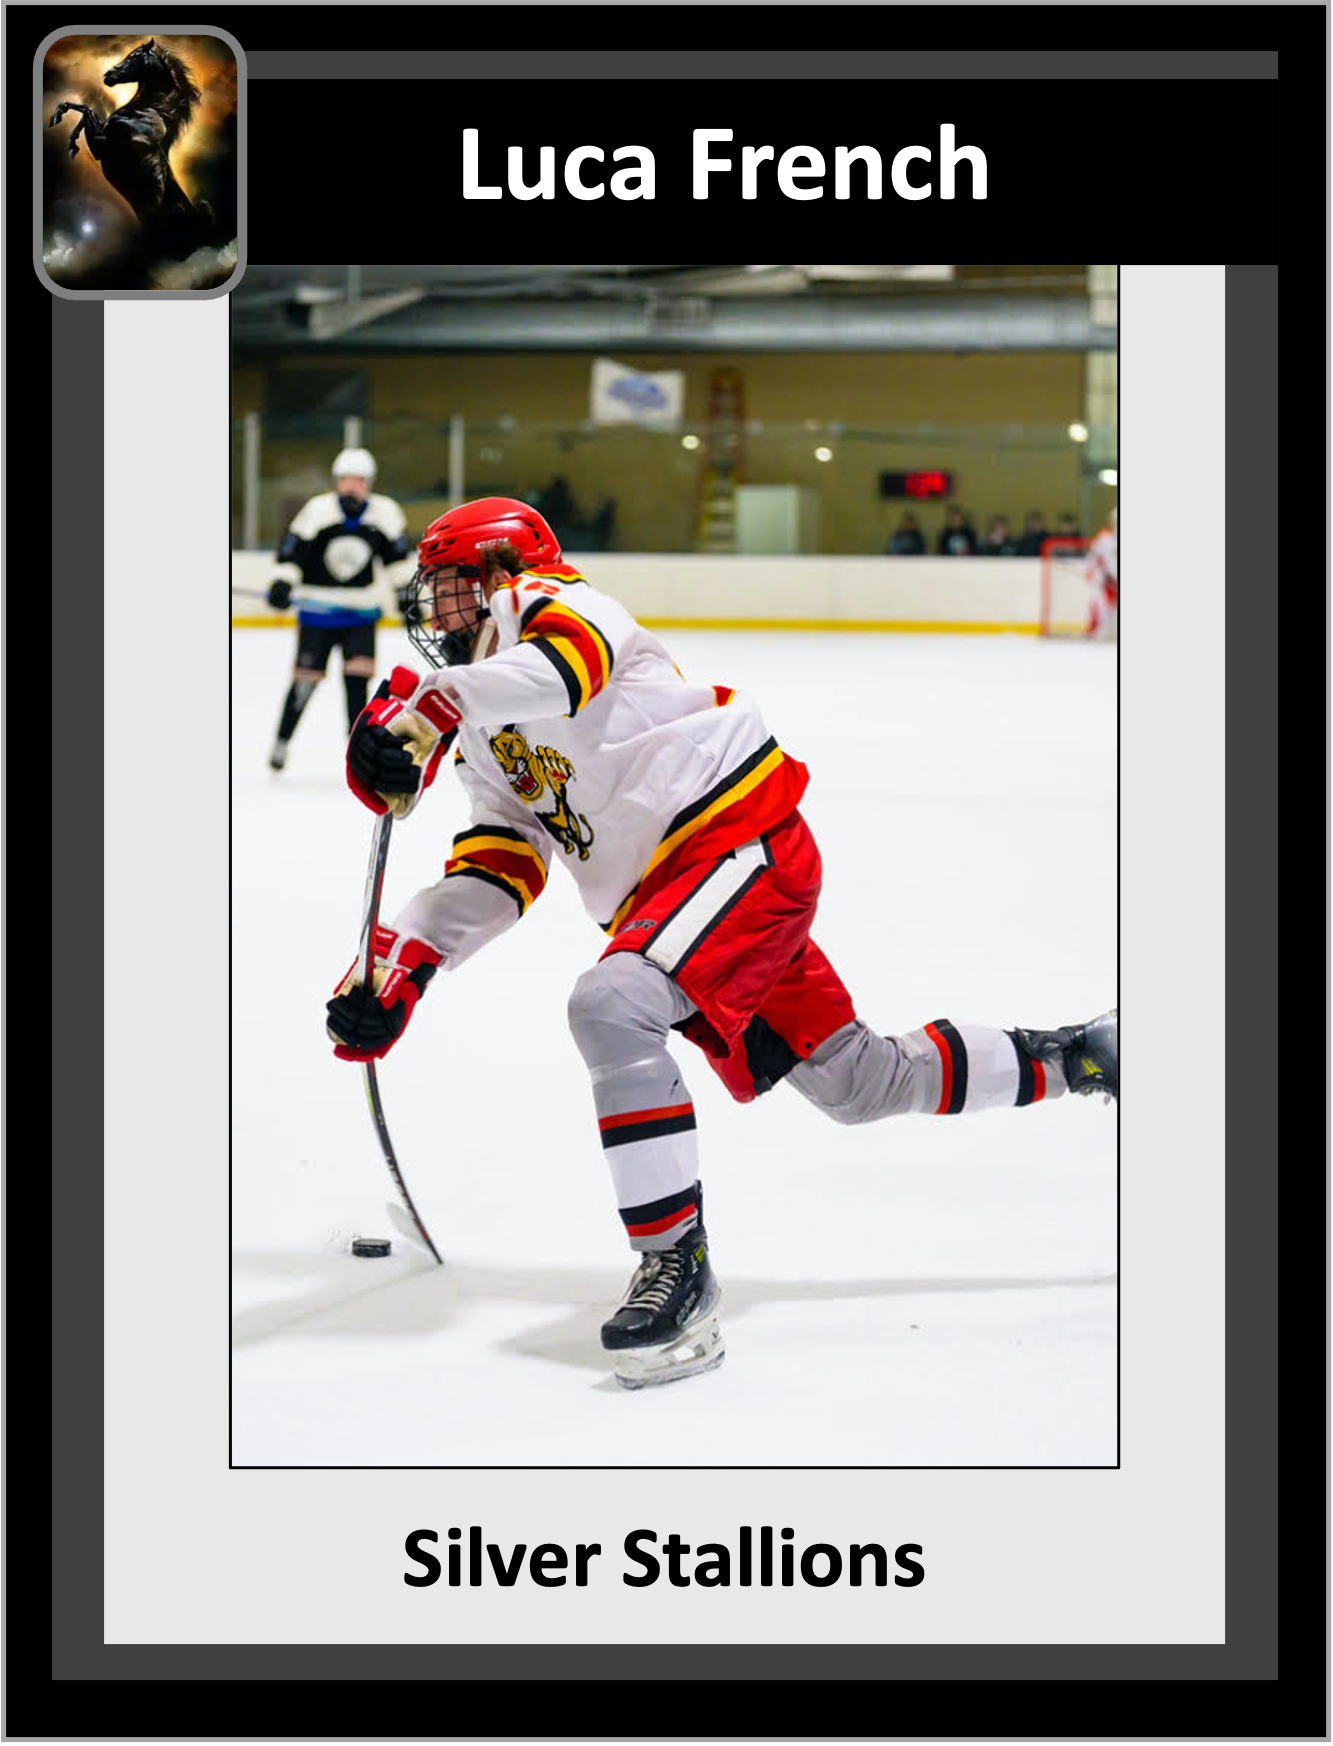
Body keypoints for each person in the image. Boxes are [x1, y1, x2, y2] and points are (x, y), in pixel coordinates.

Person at [325, 497, 1117, 1390]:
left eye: (452, 588)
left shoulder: (561, 605)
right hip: (683, 898)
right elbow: (501, 859)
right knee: (857, 1082)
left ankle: (676, 1264)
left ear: (505, 572)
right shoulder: (480, 723)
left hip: (737, 847)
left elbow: (565, 670)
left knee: (611, 1003)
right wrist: (400, 968)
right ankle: (1085, 1055)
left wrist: (426, 705)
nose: (437, 613)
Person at [265, 448, 412, 772]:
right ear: (336, 481)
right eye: (346, 479)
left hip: (360, 615)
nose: (351, 486)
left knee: (357, 685)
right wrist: (282, 582)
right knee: (304, 683)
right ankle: (281, 742)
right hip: (317, 614)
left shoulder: (384, 513)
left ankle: (356, 754)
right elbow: (292, 554)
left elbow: (396, 561)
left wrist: (406, 596)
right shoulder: (318, 510)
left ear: (368, 483)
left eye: (358, 480)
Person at [1085, 505, 1118, 639]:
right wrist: (1093, 574)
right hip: (1105, 585)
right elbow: (1092, 558)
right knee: (1101, 616)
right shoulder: (1104, 538)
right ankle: (1094, 638)